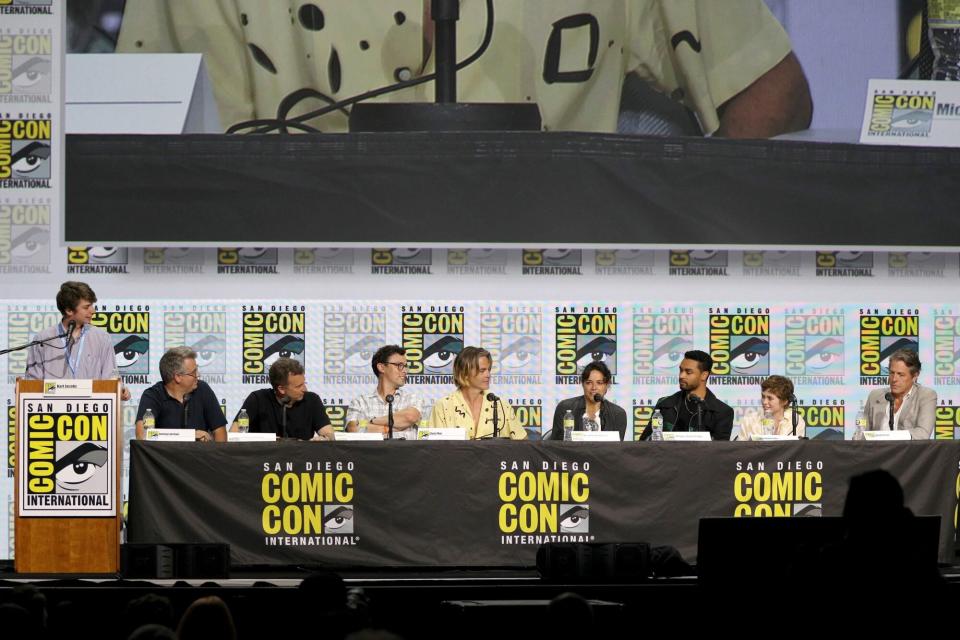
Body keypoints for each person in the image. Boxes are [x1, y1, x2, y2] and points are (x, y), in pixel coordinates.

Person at [115, 1, 811, 138]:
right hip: (296, 266)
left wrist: (668, 239)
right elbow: (132, 127)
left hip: (548, 264)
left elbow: (772, 91)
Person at [24, 281, 131, 400]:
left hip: (93, 412)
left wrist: (120, 389)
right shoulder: (43, 340)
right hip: (52, 411)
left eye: (92, 305)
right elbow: (32, 383)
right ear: (69, 310)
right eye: (86, 307)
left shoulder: (102, 338)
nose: (93, 311)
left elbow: (111, 376)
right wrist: (25, 389)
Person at [430, 346, 527, 439]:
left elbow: (523, 444)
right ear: (465, 373)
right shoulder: (442, 406)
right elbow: (433, 449)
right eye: (482, 370)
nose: (488, 375)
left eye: (488, 370)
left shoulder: (501, 404)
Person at [135, 347, 227, 442]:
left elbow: (220, 431)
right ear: (178, 377)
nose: (198, 375)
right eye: (193, 372)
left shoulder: (203, 389)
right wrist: (190, 435)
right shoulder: (152, 395)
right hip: (164, 456)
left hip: (200, 455)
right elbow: (142, 435)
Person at [230, 357, 335, 440]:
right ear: (281, 389)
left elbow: (329, 433)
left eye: (304, 383)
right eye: (299, 386)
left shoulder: (312, 400)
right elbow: (234, 435)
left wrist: (324, 439)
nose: (305, 389)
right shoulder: (257, 399)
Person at [640, 349, 733, 440]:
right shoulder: (665, 404)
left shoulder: (722, 412)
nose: (681, 376)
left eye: (688, 372)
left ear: (704, 375)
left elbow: (720, 452)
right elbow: (644, 444)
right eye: (681, 370)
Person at [345, 345, 425, 439]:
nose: (405, 371)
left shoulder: (412, 398)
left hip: (406, 453)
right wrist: (397, 427)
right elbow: (353, 429)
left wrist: (371, 422)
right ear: (381, 367)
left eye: (405, 366)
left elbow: (410, 417)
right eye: (400, 365)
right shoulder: (360, 402)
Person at [863, 348, 936, 440]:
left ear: (915, 376)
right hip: (876, 452)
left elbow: (923, 433)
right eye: (892, 373)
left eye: (900, 375)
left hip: (907, 452)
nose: (894, 379)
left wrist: (889, 436)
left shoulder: (926, 396)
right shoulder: (875, 395)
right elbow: (862, 431)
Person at [549, 361, 627, 440]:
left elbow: (617, 450)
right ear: (582, 384)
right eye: (589, 383)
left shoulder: (618, 414)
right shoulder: (565, 408)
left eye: (599, 383)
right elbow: (556, 446)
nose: (594, 387)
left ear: (607, 385)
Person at [737, 374, 805, 440]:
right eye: (763, 397)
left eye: (770, 398)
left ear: (785, 401)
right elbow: (740, 450)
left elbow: (797, 449)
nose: (764, 402)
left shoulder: (795, 421)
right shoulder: (749, 420)